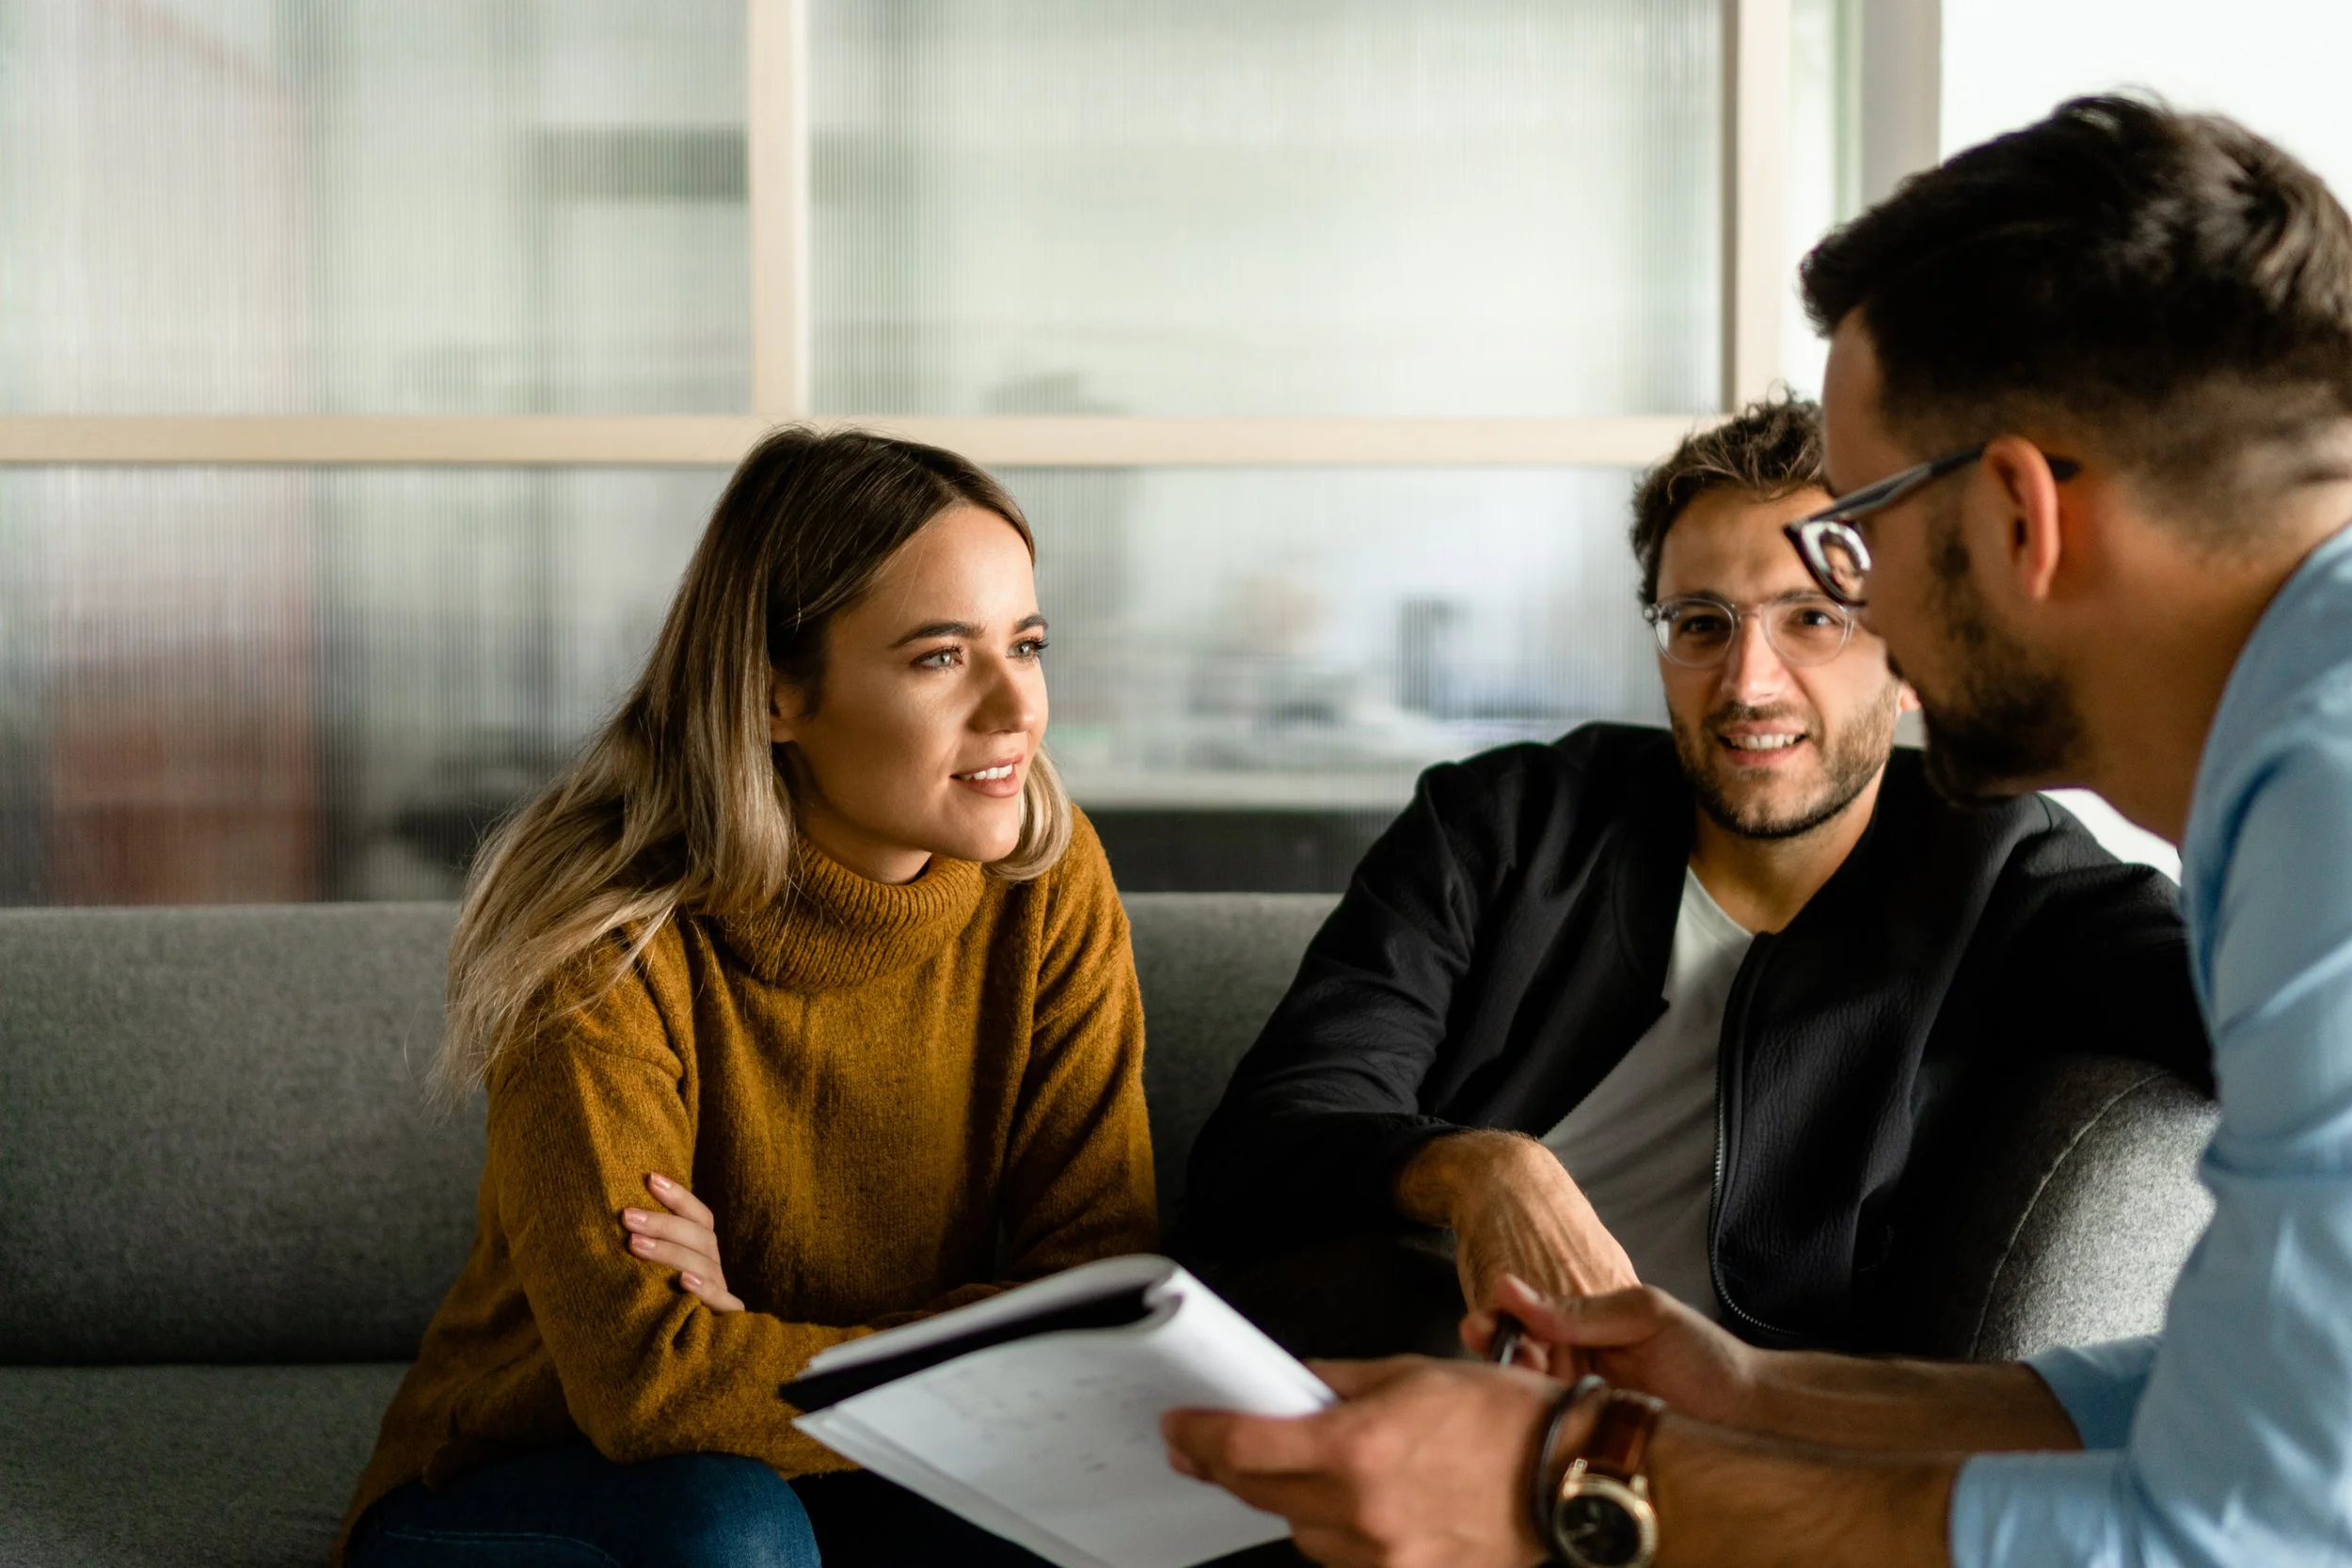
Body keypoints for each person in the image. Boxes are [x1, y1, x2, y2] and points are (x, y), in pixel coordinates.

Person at [1163, 93, 2352, 1568]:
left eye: (1850, 559)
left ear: (2017, 517)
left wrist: (1567, 1472)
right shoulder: (2299, 763)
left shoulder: (2315, 812)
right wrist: (1748, 1390)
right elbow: (2235, 1424)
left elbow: (2255, 1526)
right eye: (1704, 622)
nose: (1770, 671)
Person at [1181, 394, 2206, 1354]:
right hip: (1382, 1354)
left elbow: (2269, 1017)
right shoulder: (1503, 820)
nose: (1747, 683)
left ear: (1910, 660)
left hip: (1698, 1448)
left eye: (1813, 617)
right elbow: (1266, 1146)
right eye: (1701, 624)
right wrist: (1484, 1168)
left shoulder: (1999, 869)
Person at [340, 428, 1157, 1568]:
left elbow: (1097, 1299)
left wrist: (745, 1341)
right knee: (731, 1529)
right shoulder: (603, 933)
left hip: (839, 1445)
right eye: (938, 657)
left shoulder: (1048, 879)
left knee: (1112, 1517)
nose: (1015, 707)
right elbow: (645, 1385)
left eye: (1027, 643)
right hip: (548, 1474)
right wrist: (965, 1346)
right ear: (777, 694)